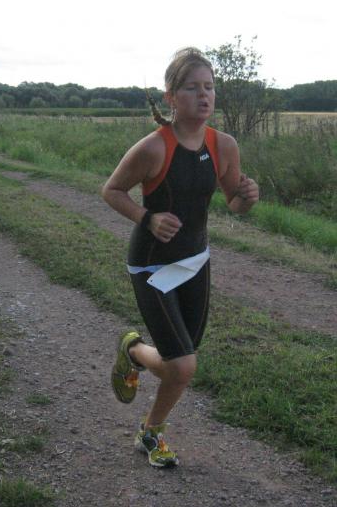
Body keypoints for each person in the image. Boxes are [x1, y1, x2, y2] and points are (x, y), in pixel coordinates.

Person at [102, 47, 259, 468]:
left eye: (209, 87)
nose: (204, 95)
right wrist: (147, 217)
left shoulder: (224, 145)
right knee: (184, 365)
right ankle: (149, 422)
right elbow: (111, 190)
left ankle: (136, 362)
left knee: (179, 363)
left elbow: (234, 203)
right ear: (171, 97)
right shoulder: (153, 148)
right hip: (152, 266)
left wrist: (248, 197)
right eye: (192, 88)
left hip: (195, 262)